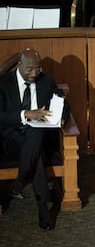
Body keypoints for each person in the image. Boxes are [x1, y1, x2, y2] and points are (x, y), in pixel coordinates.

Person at [0, 48, 70, 230]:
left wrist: (60, 118)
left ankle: (19, 182)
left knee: (37, 134)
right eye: (29, 69)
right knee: (36, 154)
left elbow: (64, 103)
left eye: (37, 69)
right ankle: (43, 211)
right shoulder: (3, 83)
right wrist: (26, 114)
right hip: (12, 138)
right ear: (19, 65)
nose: (34, 74)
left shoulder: (46, 81)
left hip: (40, 136)